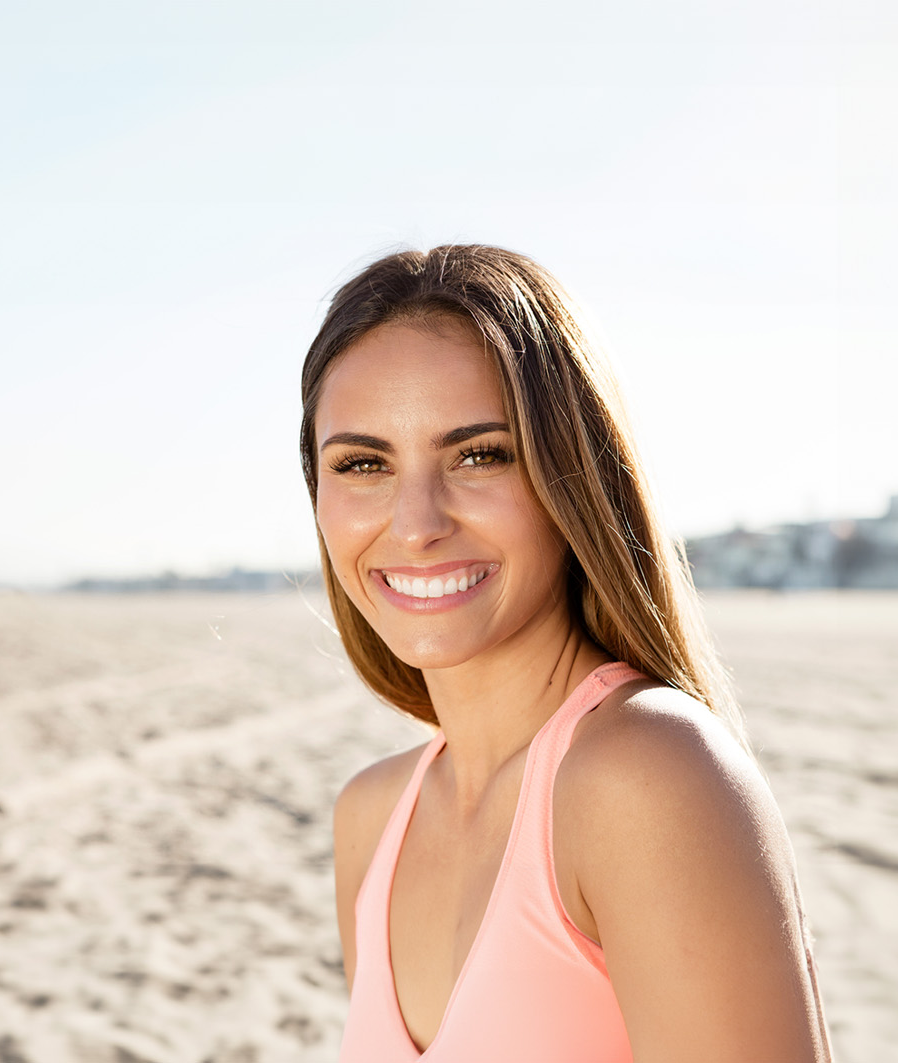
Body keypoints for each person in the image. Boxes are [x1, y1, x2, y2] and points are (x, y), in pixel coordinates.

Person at [300, 245, 833, 1061]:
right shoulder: (369, 818)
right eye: (363, 463)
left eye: (479, 453)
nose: (415, 522)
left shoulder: (647, 776)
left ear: (570, 477)